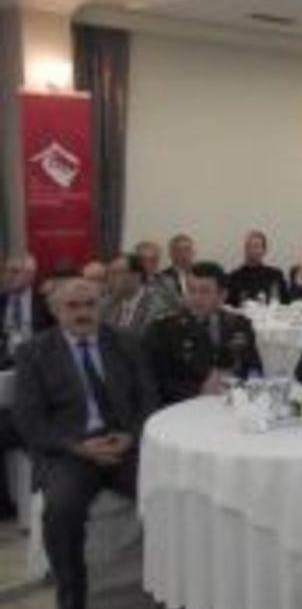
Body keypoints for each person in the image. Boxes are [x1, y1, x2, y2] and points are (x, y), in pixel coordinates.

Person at [13, 277, 159, 609]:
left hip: (124, 446)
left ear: (101, 305)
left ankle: (166, 588)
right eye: (73, 306)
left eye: (90, 304)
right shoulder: (34, 353)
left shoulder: (126, 342)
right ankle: (72, 598)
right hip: (69, 452)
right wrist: (78, 448)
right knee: (61, 511)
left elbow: (149, 399)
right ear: (55, 311)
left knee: (167, 495)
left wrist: (131, 436)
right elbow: (29, 419)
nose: (83, 313)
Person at [144, 262, 262, 405]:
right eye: (191, 290)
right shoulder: (165, 330)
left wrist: (235, 384)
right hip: (185, 406)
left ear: (222, 295)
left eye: (205, 291)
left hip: (233, 402)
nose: (196, 297)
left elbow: (254, 369)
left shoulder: (239, 325)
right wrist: (199, 391)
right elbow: (158, 381)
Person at [99, 254, 170, 336]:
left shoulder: (155, 303)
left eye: (116, 273)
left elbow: (144, 335)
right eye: (109, 274)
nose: (111, 279)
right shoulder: (107, 304)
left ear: (136, 275)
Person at [1, 253, 54, 343]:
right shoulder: (2, 298)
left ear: (30, 275)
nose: (8, 275)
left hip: (35, 348)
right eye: (6, 271)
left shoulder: (44, 300)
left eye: (15, 271)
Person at [226, 230, 288, 306]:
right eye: (248, 246)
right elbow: (228, 305)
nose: (251, 250)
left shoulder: (275, 275)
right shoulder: (234, 277)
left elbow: (285, 302)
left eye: (256, 246)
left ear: (264, 251)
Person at [154, 233, 195, 307]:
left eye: (187, 250)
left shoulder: (204, 275)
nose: (184, 255)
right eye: (179, 251)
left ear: (193, 253)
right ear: (171, 254)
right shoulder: (161, 278)